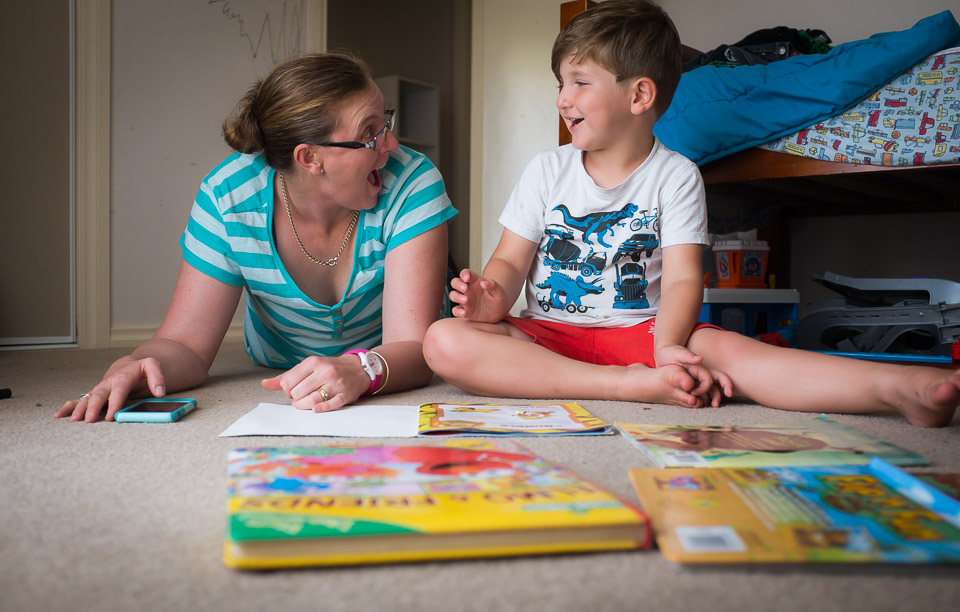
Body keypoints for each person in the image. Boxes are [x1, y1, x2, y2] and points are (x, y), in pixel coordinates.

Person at [422, 0, 960, 428]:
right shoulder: (546, 169)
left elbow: (683, 281)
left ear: (639, 96)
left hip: (646, 331)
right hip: (550, 337)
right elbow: (509, 264)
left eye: (580, 82)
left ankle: (897, 390)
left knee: (735, 353)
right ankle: (622, 389)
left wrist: (667, 350)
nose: (563, 98)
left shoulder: (675, 174)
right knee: (445, 340)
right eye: (561, 82)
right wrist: (490, 295)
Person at [57, 52, 457, 423]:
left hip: (386, 357)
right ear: (310, 158)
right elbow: (186, 345)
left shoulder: (413, 181)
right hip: (279, 359)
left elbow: (414, 349)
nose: (391, 143)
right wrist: (139, 363)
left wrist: (359, 369)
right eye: (370, 133)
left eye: (384, 122)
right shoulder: (227, 196)